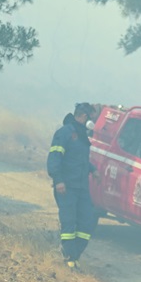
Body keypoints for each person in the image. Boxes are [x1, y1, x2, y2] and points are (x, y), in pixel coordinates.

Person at [47, 102, 98, 270]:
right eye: (91, 118)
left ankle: (75, 255)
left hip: (81, 187)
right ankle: (69, 258)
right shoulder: (64, 133)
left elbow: (78, 158)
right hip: (67, 187)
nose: (93, 122)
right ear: (83, 117)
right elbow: (55, 158)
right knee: (69, 223)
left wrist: (92, 169)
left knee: (87, 222)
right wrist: (59, 180)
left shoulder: (82, 135)